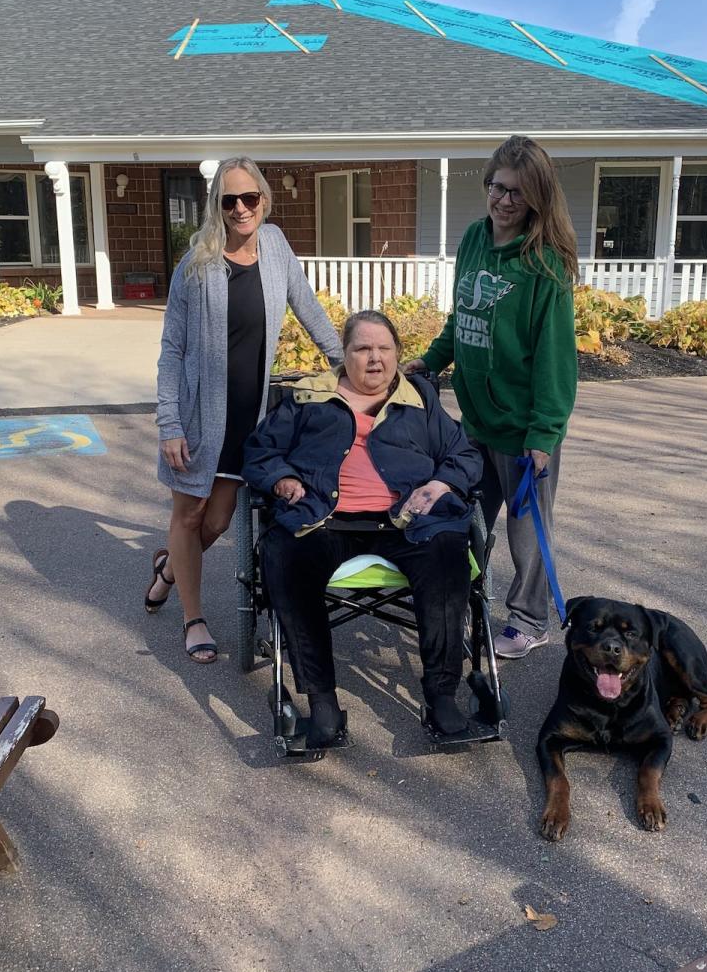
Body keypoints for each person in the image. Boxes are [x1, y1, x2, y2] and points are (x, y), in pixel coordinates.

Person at [242, 310, 482, 746]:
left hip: (409, 521)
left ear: (397, 354)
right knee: (286, 556)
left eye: (384, 348)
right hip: (322, 518)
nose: (375, 358)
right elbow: (259, 451)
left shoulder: (419, 398)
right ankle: (323, 702)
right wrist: (282, 477)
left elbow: (464, 455)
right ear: (345, 355)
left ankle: (442, 697)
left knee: (448, 552)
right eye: (363, 348)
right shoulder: (307, 397)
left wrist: (439, 483)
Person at [147, 156, 342, 663]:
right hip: (196, 415)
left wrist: (349, 363)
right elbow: (172, 349)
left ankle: (169, 571)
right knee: (188, 516)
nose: (240, 208)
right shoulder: (197, 264)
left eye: (248, 198)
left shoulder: (275, 246)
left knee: (218, 519)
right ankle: (194, 619)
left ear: (263, 199)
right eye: (228, 200)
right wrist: (168, 422)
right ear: (217, 204)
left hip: (249, 419)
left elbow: (308, 306)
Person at [405, 135, 578, 659]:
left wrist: (544, 434)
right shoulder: (477, 239)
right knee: (461, 519)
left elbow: (555, 360)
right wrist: (432, 360)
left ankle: (529, 619)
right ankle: (462, 601)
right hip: (475, 422)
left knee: (527, 535)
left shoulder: (544, 265)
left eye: (518, 195)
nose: (504, 201)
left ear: (536, 201)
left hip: (525, 431)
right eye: (498, 188)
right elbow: (464, 317)